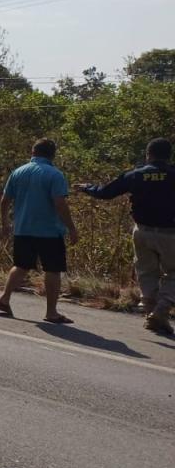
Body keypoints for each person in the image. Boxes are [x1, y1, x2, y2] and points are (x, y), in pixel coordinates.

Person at [75, 137, 175, 336]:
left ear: (148, 155)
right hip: (170, 233)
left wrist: (87, 187)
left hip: (142, 232)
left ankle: (152, 313)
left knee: (146, 273)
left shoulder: (136, 174)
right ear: (169, 156)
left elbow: (106, 192)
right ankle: (161, 309)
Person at [0, 138, 80, 324]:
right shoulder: (55, 175)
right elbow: (60, 203)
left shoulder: (18, 172)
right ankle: (51, 312)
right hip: (48, 231)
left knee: (21, 265)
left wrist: (5, 223)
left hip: (23, 228)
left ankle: (4, 298)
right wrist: (72, 228)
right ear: (53, 155)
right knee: (53, 269)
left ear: (33, 152)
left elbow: (4, 200)